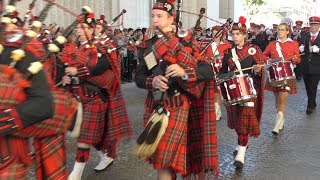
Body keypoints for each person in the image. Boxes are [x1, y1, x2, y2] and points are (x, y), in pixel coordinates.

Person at [135, 0, 217, 179]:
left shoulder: (185, 41)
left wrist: (184, 72)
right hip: (155, 105)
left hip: (179, 105)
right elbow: (138, 77)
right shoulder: (148, 45)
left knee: (169, 161)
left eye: (159, 16)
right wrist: (153, 81)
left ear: (171, 18)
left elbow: (207, 70)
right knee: (163, 162)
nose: (155, 20)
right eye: (153, 16)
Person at [62, 7, 131, 180]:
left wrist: (76, 71)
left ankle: (76, 174)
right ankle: (105, 156)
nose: (78, 30)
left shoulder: (101, 46)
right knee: (92, 135)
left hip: (96, 97)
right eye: (77, 27)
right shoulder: (78, 46)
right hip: (80, 96)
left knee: (85, 135)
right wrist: (67, 77)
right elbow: (70, 67)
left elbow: (100, 66)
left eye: (81, 27)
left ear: (91, 29)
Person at [219, 16, 265, 170]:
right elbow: (223, 71)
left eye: (238, 34)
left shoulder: (254, 50)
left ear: (245, 35)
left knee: (244, 121)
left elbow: (260, 69)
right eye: (234, 34)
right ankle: (242, 142)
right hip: (233, 91)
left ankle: (241, 151)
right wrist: (221, 77)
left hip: (248, 91)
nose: (235, 36)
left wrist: (258, 70)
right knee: (238, 122)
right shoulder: (228, 52)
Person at [263, 23, 300, 135]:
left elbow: (298, 59)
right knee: (277, 99)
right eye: (278, 30)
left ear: (288, 31)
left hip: (287, 75)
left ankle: (277, 124)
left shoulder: (294, 44)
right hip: (274, 74)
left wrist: (295, 59)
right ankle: (281, 118)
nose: (280, 32)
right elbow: (264, 55)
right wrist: (268, 60)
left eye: (282, 30)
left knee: (283, 98)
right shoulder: (272, 44)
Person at [203, 25, 231, 120]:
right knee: (215, 91)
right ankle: (216, 111)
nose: (215, 35)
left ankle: (220, 110)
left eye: (217, 33)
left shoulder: (227, 45)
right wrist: (207, 60)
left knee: (222, 91)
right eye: (213, 33)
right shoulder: (208, 45)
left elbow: (230, 58)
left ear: (221, 34)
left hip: (223, 70)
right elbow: (202, 56)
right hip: (211, 70)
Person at [299, 16, 320, 115]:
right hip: (305, 65)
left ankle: (310, 105)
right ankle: (313, 101)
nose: (313, 26)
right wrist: (301, 48)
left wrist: (319, 50)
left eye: (315, 24)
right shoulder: (305, 35)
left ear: (319, 26)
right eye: (311, 24)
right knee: (307, 86)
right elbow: (299, 44)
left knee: (313, 86)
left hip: (317, 66)